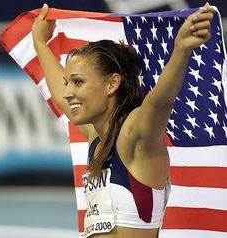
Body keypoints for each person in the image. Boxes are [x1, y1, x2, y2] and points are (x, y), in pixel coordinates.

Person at [32, 3, 214, 238]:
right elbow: (60, 96)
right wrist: (40, 43)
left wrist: (181, 49)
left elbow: (160, 102)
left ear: (112, 84)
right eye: (68, 82)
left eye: (77, 82)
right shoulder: (96, 135)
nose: (68, 92)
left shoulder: (134, 135)